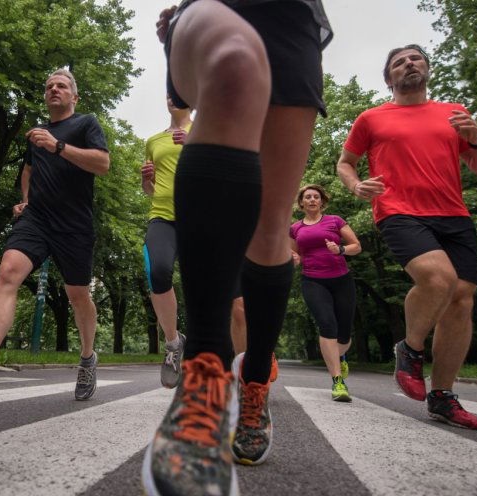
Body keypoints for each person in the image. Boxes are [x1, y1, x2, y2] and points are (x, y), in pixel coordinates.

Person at [143, 1, 333, 494]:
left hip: (289, 18)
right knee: (234, 63)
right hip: (211, 11)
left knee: (270, 232)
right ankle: (204, 371)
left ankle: (253, 381)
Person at [336, 44, 477, 430]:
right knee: (438, 279)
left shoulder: (454, 113)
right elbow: (345, 163)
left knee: (461, 299)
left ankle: (442, 396)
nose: (409, 64)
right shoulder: (372, 118)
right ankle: (410, 348)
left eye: (416, 59)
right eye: (399, 62)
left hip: (454, 214)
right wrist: (356, 186)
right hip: (399, 210)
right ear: (389, 77)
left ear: (426, 68)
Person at [0, 69, 110, 414]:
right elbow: (28, 171)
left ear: (74, 96)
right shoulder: (35, 135)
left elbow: (102, 164)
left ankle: (88, 356)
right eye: (48, 86)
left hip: (74, 225)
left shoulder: (86, 124)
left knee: (77, 296)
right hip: (37, 219)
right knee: (7, 273)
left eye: (61, 86)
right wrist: (27, 199)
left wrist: (57, 146)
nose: (54, 90)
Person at [141, 96, 248, 388]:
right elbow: (150, 189)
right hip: (164, 217)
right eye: (168, 94)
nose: (173, 98)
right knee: (157, 272)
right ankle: (174, 343)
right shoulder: (153, 141)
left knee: (231, 298)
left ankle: (244, 368)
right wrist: (145, 181)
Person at [289, 184, 361, 401]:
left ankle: (340, 357)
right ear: (301, 203)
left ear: (322, 202)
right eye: (307, 197)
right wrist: (293, 259)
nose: (312, 200)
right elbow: (294, 254)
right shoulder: (295, 228)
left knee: (344, 332)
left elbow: (356, 246)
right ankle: (338, 382)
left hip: (341, 281)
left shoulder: (335, 221)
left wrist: (340, 249)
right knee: (327, 324)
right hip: (313, 281)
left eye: (316, 197)